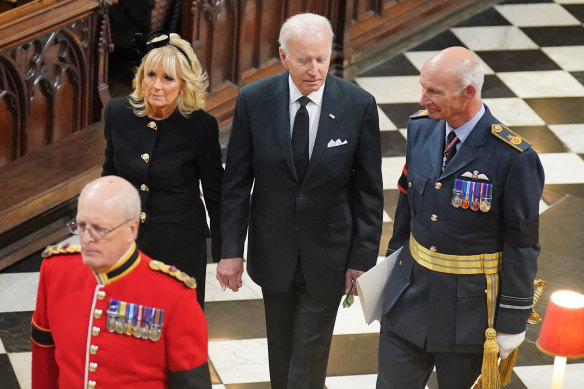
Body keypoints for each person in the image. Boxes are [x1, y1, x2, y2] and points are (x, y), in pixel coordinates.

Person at [217, 13, 384, 389]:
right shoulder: (254, 100)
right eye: (304, 59)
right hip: (272, 251)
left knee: (307, 358)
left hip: (329, 254)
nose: (315, 69)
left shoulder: (358, 105)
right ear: (283, 56)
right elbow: (237, 183)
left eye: (322, 58)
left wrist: (362, 260)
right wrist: (230, 250)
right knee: (282, 353)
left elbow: (369, 193)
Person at [377, 46, 545, 389]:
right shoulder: (421, 129)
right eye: (423, 88)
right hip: (409, 300)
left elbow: (522, 243)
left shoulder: (513, 157)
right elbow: (407, 205)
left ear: (469, 92)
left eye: (434, 91)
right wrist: (389, 273)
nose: (424, 99)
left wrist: (513, 319)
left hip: (468, 315)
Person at [31, 176, 211, 389]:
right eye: (80, 226)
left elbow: (190, 383)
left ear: (132, 230)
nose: (87, 238)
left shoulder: (174, 295)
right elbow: (44, 361)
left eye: (99, 229)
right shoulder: (56, 271)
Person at [102, 32, 223, 309]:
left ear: (183, 85)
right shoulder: (117, 113)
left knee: (177, 329)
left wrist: (225, 253)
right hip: (128, 240)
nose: (156, 85)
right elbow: (109, 178)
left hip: (180, 242)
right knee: (128, 326)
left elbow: (216, 193)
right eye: (151, 75)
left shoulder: (201, 126)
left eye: (168, 78)